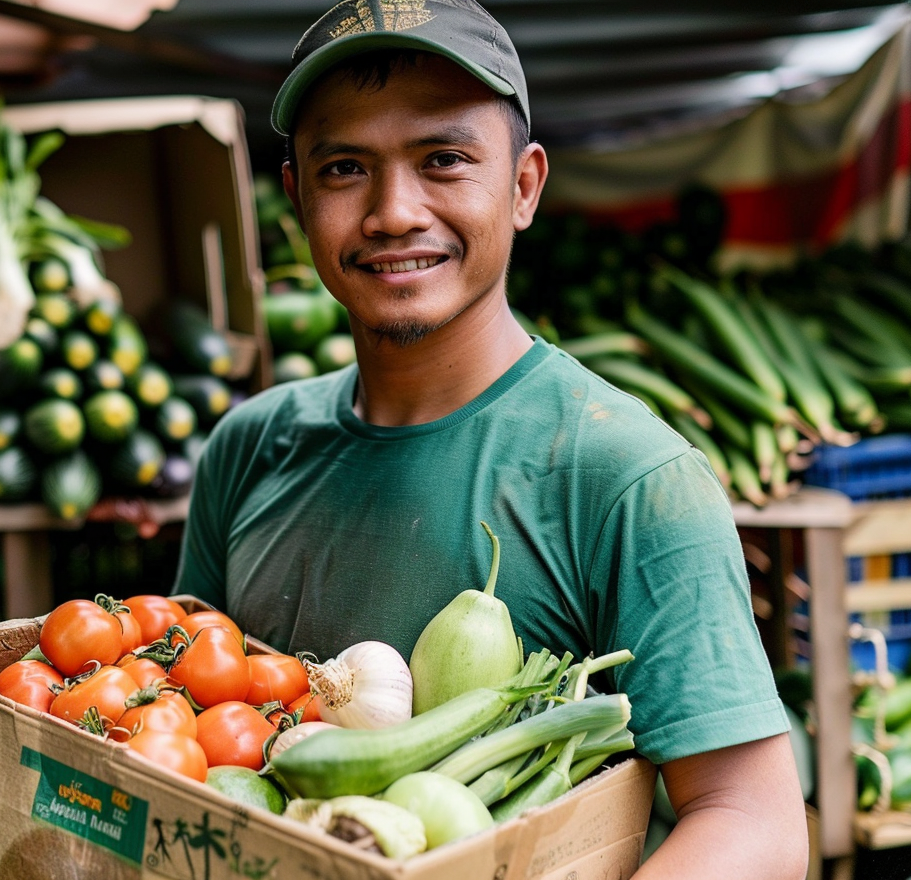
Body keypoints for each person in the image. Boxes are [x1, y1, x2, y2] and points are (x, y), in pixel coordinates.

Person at [172, 0, 808, 875]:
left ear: (523, 187)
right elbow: (186, 721)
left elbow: (753, 824)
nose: (394, 212)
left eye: (444, 160)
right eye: (346, 167)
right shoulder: (250, 448)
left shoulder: (625, 474)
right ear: (296, 199)